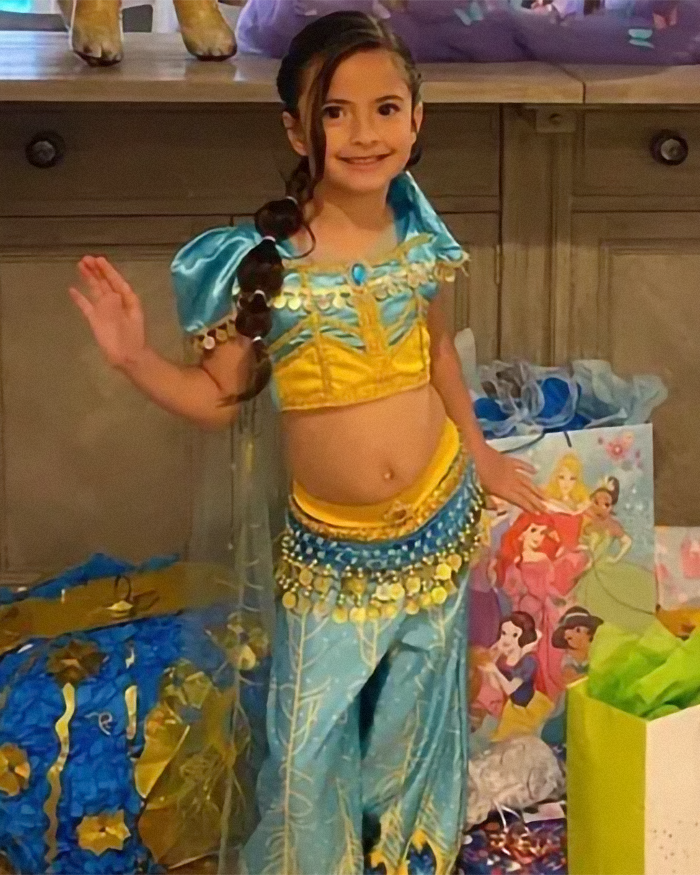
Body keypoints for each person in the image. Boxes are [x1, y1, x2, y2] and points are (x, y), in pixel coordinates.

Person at [69, 12, 542, 874]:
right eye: (335, 112)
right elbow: (221, 400)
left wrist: (477, 449)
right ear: (295, 127)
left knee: (412, 725)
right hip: (334, 552)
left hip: (438, 522)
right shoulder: (262, 264)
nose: (365, 133)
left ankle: (406, 857)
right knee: (307, 738)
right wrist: (135, 357)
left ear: (417, 119)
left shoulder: (421, 234)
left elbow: (436, 351)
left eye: (386, 108)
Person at [575, 476, 657, 635]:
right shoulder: (586, 521)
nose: (600, 507)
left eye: (606, 504)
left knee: (616, 600)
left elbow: (626, 541)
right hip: (586, 569)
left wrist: (616, 557)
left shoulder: (612, 525)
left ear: (611, 506)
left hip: (603, 567)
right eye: (596, 502)